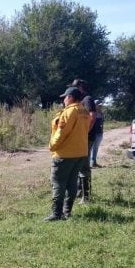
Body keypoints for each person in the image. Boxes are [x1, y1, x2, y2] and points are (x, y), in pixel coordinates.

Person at [45, 86, 90, 221]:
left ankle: (56, 214)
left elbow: (61, 133)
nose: (64, 99)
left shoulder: (69, 112)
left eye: (65, 97)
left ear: (70, 98)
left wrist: (52, 146)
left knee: (58, 182)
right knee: (71, 183)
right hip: (81, 153)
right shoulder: (85, 111)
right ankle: (67, 212)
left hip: (65, 154)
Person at [72, 79, 96, 202]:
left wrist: (85, 132)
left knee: (84, 165)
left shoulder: (87, 99)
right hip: (81, 138)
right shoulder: (80, 101)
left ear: (81, 87)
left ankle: (86, 196)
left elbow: (92, 117)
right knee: (79, 164)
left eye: (76, 87)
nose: (74, 89)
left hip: (87, 137)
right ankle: (80, 192)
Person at [89, 101, 104, 167]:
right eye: (99, 105)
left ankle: (93, 162)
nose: (100, 106)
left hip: (99, 133)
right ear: (95, 105)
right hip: (93, 133)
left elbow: (102, 124)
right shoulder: (91, 113)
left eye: (100, 105)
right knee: (90, 148)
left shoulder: (101, 113)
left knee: (96, 148)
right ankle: (88, 164)